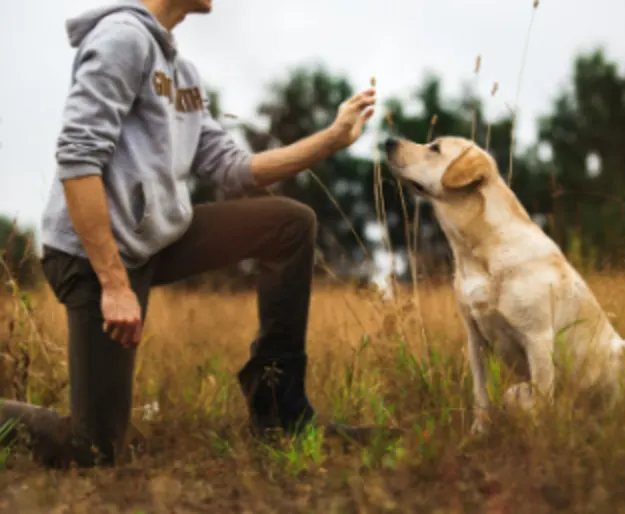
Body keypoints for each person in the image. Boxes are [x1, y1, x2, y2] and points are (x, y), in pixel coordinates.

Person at [40, 0, 377, 467]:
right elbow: (77, 159)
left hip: (157, 238)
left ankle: (279, 411)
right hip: (92, 254)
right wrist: (115, 285)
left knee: (289, 225)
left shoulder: (184, 75)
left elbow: (234, 170)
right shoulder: (122, 38)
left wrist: (332, 139)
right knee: (94, 449)